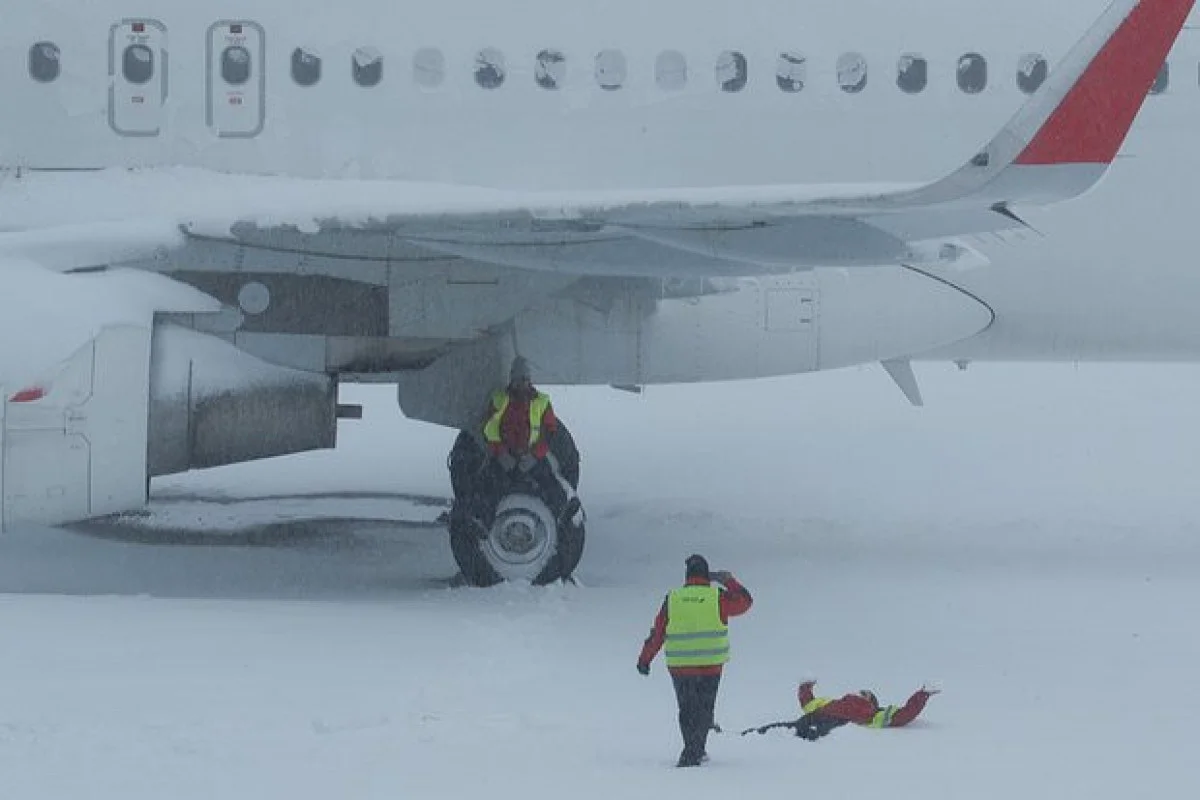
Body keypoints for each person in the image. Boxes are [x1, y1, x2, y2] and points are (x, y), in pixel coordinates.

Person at [637, 554, 753, 767]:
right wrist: (728, 580)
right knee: (704, 709)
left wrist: (645, 659)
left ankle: (693, 750)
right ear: (707, 575)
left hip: (681, 668)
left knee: (687, 709)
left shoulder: (673, 598)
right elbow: (745, 602)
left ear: (687, 576)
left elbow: (658, 633)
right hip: (711, 666)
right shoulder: (717, 597)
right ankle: (695, 751)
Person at [481, 356, 578, 523]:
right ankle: (483, 521)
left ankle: (563, 513)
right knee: (491, 485)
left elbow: (550, 432)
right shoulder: (499, 399)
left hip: (530, 455)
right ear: (511, 379)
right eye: (518, 379)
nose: (522, 384)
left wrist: (535, 456)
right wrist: (502, 454)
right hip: (506, 455)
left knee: (549, 481)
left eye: (525, 379)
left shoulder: (541, 402)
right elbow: (490, 430)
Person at [741, 680, 938, 740]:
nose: (862, 693)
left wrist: (922, 695)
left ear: (873, 701)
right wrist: (806, 687)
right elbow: (808, 703)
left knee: (808, 735)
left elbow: (903, 715)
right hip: (815, 715)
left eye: (866, 693)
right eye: (862, 691)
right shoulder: (832, 701)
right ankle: (748, 735)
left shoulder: (875, 712)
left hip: (836, 723)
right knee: (784, 728)